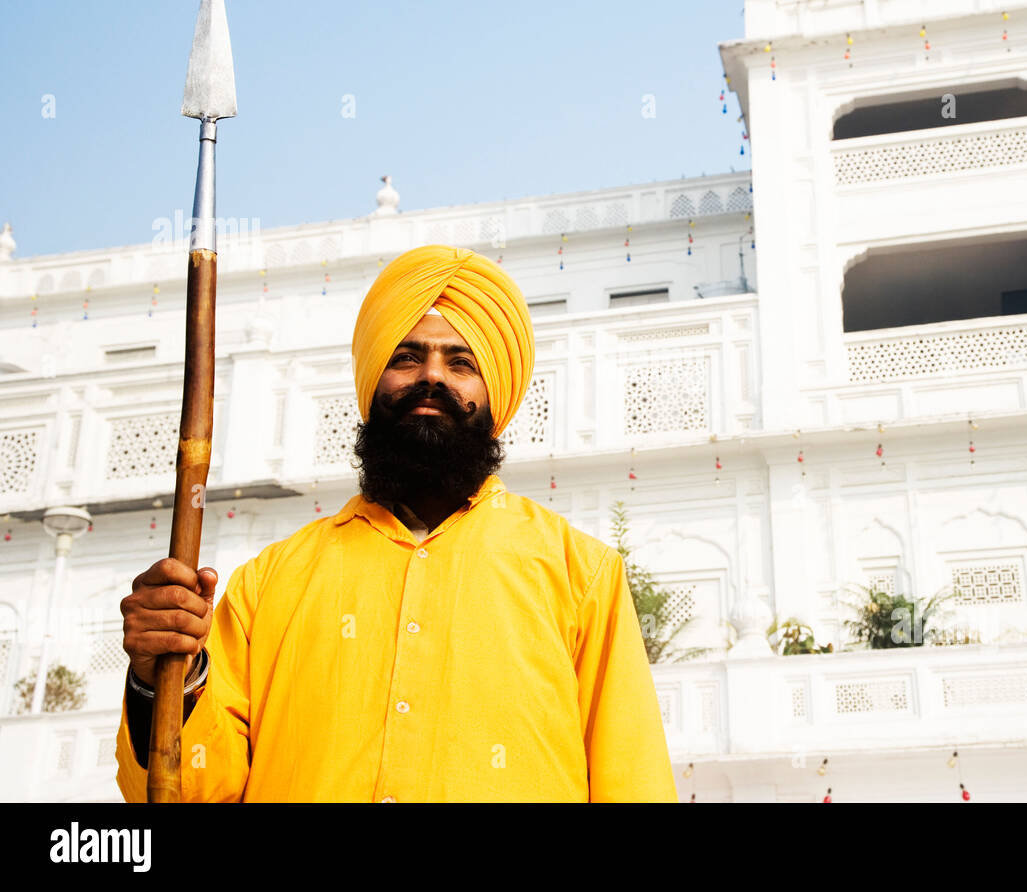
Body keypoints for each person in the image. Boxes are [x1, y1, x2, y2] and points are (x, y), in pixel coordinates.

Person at [115, 244, 678, 802]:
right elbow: (188, 792)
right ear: (371, 380)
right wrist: (159, 677)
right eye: (406, 358)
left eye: (461, 362)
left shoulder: (579, 574)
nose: (431, 377)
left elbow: (634, 784)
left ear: (496, 389)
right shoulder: (269, 585)